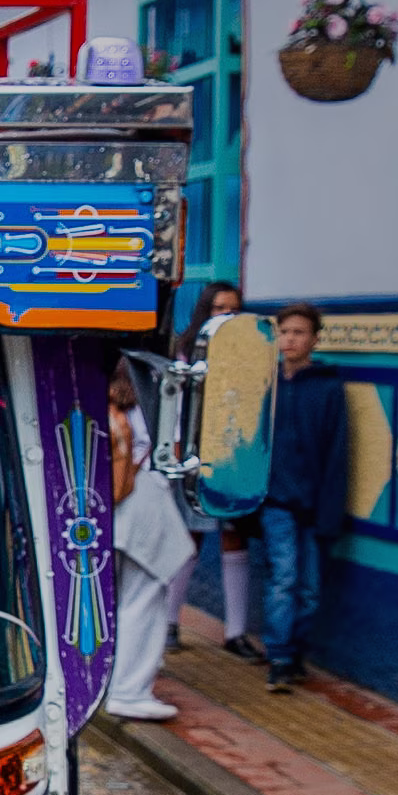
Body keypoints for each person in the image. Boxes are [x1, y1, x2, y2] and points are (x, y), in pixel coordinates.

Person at [252, 303, 340, 692]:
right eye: (285, 332)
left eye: (299, 333)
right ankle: (280, 656)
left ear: (315, 339)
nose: (290, 339)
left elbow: (338, 453)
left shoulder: (328, 388)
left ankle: (297, 650)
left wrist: (329, 510)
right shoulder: (266, 386)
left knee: (310, 589)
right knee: (284, 578)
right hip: (276, 502)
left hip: (314, 501)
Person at [102, 363, 190, 721]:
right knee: (143, 597)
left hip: (111, 504)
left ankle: (113, 682)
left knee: (119, 597)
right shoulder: (156, 381)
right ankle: (130, 690)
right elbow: (175, 450)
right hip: (140, 500)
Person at [182, 278, 255, 656]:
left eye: (234, 309)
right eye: (220, 308)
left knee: (234, 538)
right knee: (189, 541)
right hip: (196, 456)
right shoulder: (186, 353)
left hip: (234, 459)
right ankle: (168, 622)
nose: (228, 315)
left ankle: (236, 632)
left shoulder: (251, 354)